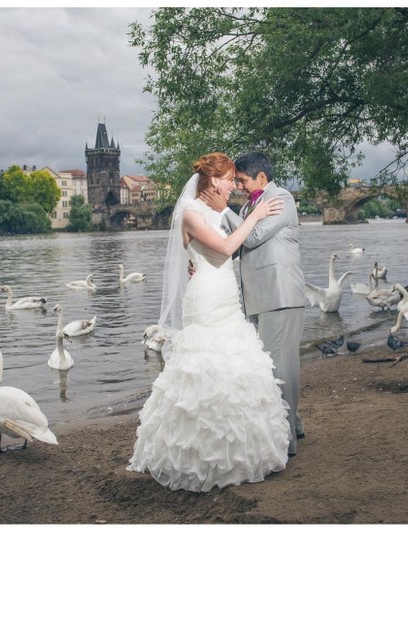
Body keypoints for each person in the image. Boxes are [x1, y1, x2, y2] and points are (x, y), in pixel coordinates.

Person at [127, 152, 291, 492]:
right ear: (214, 180)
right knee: (206, 367)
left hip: (226, 297)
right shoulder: (190, 214)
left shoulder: (214, 213)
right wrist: (257, 213)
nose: (233, 185)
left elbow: (214, 251)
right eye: (230, 179)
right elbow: (227, 247)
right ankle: (198, 457)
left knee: (234, 366)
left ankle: (241, 452)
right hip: (205, 301)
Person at [211, 152, 307, 456]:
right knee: (267, 367)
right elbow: (237, 246)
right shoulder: (252, 205)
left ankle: (286, 441)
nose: (238, 185)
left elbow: (253, 238)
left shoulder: (282, 199)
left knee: (281, 367)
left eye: (242, 179)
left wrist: (223, 209)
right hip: (257, 296)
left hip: (280, 295)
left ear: (261, 177)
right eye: (236, 180)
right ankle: (295, 426)